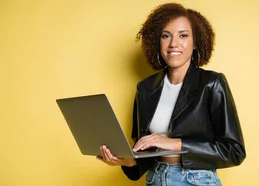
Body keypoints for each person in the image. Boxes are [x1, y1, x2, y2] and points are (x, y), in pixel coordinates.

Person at [96, 3, 246, 186]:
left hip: (196, 180)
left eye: (183, 35)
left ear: (196, 42)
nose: (173, 43)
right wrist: (127, 161)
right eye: (166, 36)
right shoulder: (145, 88)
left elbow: (234, 151)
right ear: (156, 42)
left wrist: (175, 144)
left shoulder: (211, 83)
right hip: (156, 178)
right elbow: (143, 150)